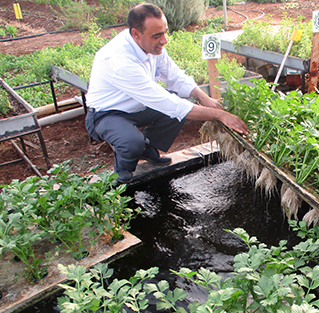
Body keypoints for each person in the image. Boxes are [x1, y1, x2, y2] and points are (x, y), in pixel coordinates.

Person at [85, 3, 248, 183]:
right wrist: (220, 115)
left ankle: (148, 148)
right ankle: (122, 177)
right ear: (136, 35)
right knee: (132, 142)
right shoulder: (119, 61)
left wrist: (205, 98)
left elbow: (175, 76)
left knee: (179, 105)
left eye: (165, 32)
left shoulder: (151, 46)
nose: (164, 40)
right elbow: (167, 103)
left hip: (138, 106)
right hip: (107, 114)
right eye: (157, 35)